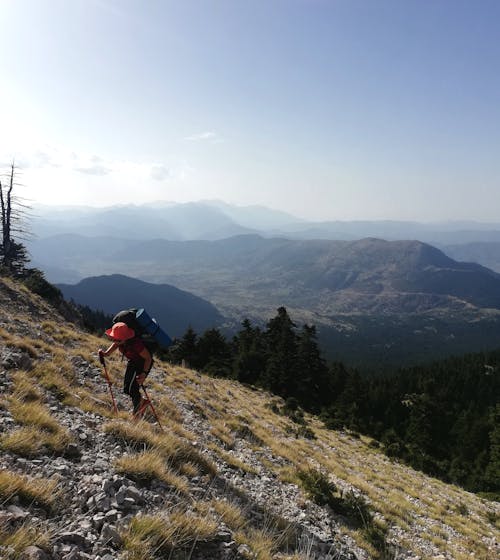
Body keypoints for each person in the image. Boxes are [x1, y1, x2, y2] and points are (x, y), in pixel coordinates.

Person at [98, 322, 153, 415]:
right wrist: (106, 353)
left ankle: (137, 413)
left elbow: (148, 358)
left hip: (142, 364)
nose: (115, 341)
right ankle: (143, 402)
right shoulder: (120, 341)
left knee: (133, 388)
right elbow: (116, 344)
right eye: (114, 339)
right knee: (127, 388)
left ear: (126, 338)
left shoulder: (136, 344)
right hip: (133, 362)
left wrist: (143, 373)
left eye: (118, 340)